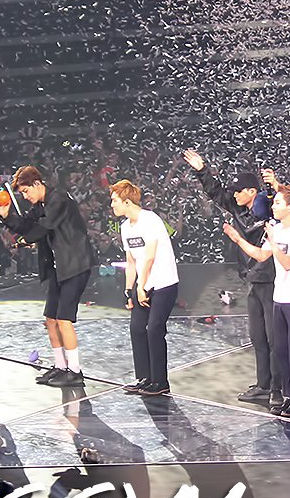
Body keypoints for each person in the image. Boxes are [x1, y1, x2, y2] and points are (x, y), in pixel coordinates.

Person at [182, 148, 276, 405]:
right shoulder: (237, 207)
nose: (234, 195)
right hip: (252, 280)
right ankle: (263, 385)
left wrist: (276, 186)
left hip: (272, 280)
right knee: (258, 337)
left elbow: (285, 202)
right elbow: (216, 192)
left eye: (238, 191)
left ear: (252, 192)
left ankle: (278, 388)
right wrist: (202, 170)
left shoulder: (269, 209)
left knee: (274, 338)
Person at [0, 165, 93, 388]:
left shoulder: (59, 200)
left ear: (37, 184)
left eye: (26, 191)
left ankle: (75, 371)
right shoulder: (40, 205)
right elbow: (26, 225)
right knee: (51, 319)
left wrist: (25, 240)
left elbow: (43, 227)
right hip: (59, 268)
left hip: (75, 265)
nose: (25, 196)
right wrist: (6, 216)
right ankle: (60, 365)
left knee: (64, 319)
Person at [224, 185, 290, 419]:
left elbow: (288, 263)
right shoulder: (277, 229)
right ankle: (288, 396)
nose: (273, 206)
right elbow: (261, 255)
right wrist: (237, 239)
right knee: (281, 350)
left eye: (278, 203)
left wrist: (273, 240)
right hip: (279, 298)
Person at [111, 179, 180, 397]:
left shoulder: (150, 220)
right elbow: (131, 261)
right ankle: (144, 378)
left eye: (114, 200)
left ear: (127, 202)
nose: (112, 205)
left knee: (154, 329)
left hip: (163, 283)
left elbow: (149, 257)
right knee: (137, 329)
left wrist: (141, 286)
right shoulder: (125, 227)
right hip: (143, 283)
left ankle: (160, 381)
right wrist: (129, 290)